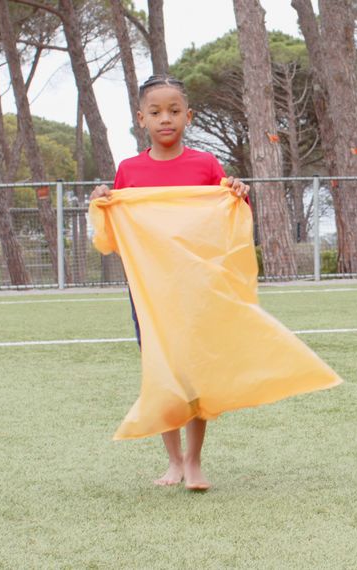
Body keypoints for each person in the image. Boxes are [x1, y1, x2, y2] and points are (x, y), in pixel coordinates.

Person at [91, 75, 250, 491]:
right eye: (156, 112)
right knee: (161, 373)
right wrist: (104, 200)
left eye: (175, 111)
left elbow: (226, 218)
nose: (166, 119)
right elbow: (115, 232)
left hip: (196, 291)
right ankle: (174, 462)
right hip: (149, 294)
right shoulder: (130, 170)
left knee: (194, 376)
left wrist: (237, 191)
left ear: (188, 116)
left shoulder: (205, 165)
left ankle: (195, 462)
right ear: (141, 118)